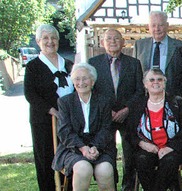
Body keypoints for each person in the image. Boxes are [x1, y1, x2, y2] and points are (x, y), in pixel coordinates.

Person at [88, 29, 143, 190]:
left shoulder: (134, 63)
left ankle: (129, 186)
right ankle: (110, 183)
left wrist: (126, 109)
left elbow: (139, 90)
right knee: (107, 151)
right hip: (105, 117)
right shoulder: (93, 63)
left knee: (130, 153)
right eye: (109, 39)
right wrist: (107, 110)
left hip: (128, 115)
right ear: (102, 43)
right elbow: (92, 91)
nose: (113, 41)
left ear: (123, 42)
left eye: (116, 38)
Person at [24, 24, 74, 191]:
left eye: (53, 38)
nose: (50, 41)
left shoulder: (69, 64)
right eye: (45, 38)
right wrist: (52, 110)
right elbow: (30, 95)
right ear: (38, 41)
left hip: (69, 122)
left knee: (69, 158)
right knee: (46, 160)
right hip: (44, 122)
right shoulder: (33, 67)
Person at [52, 63, 116, 191]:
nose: (81, 82)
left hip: (100, 147)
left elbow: (106, 128)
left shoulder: (104, 101)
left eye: (85, 78)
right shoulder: (65, 102)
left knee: (105, 170)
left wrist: (95, 147)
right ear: (73, 82)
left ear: (92, 82)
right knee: (83, 168)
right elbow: (64, 131)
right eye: (77, 79)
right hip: (73, 147)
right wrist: (83, 148)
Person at [129, 68, 182, 191]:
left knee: (169, 161)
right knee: (141, 160)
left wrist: (170, 147)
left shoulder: (178, 102)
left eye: (159, 79)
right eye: (151, 80)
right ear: (145, 84)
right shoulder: (137, 105)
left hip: (174, 149)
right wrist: (143, 144)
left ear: (164, 82)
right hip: (148, 148)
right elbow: (131, 133)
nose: (156, 82)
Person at [133, 11, 182, 93]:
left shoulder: (180, 46)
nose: (157, 29)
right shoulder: (139, 45)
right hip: (145, 96)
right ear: (149, 27)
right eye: (153, 25)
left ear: (167, 26)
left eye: (161, 25)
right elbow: (134, 73)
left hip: (172, 96)